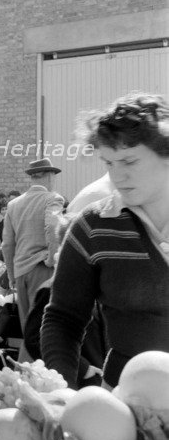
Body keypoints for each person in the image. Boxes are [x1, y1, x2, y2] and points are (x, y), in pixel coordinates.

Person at [42, 93, 169, 389]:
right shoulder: (93, 227)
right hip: (122, 405)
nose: (117, 176)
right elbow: (63, 319)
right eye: (109, 163)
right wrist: (61, 390)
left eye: (129, 161)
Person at [1, 158, 64, 361]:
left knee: (28, 331)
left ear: (32, 177)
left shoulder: (13, 205)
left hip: (20, 273)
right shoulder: (52, 198)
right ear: (49, 176)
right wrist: (53, 261)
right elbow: (53, 227)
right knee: (45, 332)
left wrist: (11, 275)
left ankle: (25, 379)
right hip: (42, 270)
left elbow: (7, 245)